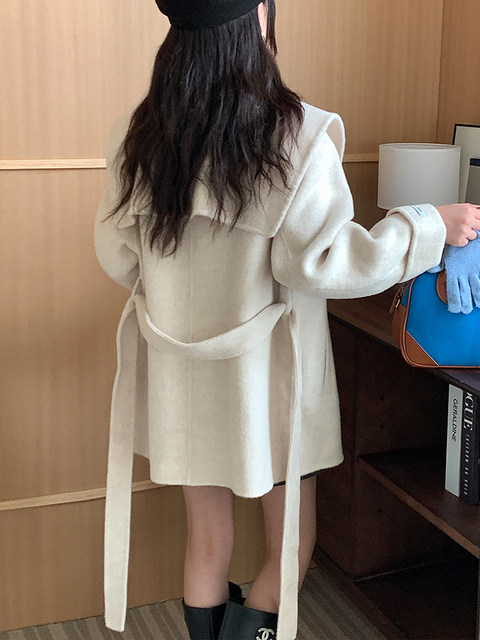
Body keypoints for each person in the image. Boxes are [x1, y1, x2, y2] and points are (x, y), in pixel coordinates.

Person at [94, 1, 480, 639]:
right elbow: (325, 264)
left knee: (207, 538)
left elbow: (118, 258)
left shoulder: (136, 137)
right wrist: (429, 223)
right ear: (260, 18)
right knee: (290, 541)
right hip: (271, 380)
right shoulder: (297, 135)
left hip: (179, 375)